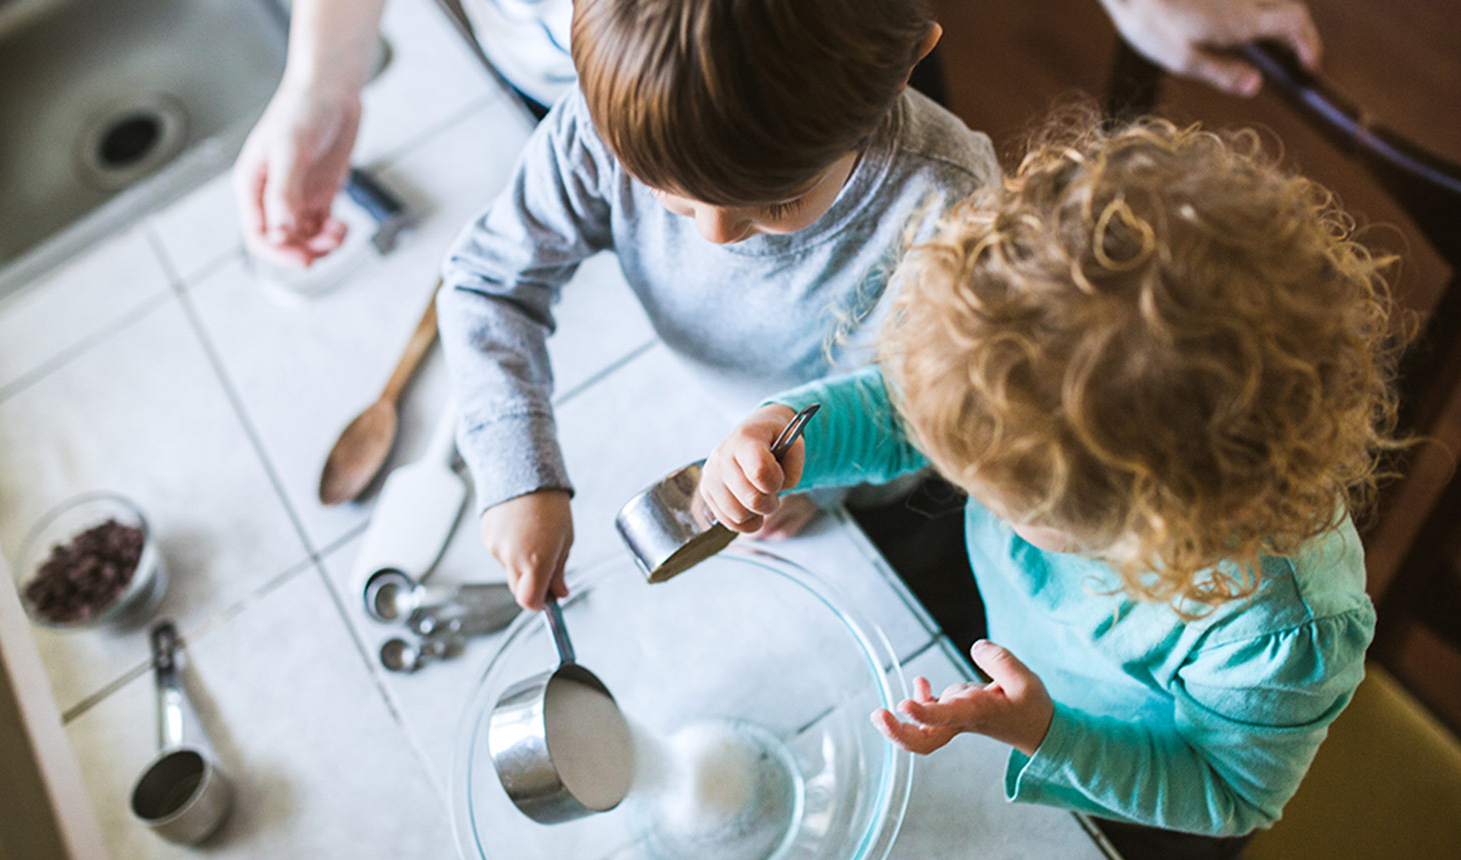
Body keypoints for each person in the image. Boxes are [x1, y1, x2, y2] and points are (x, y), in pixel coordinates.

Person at [696, 117, 1397, 856]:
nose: (967, 487)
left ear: (1150, 524)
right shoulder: (1034, 399)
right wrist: (787, 429)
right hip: (1017, 657)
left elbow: (1228, 792)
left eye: (997, 496)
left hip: (1128, 803)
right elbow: (906, 410)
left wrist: (1044, 732)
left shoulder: (1281, 634)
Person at [438, 0, 999, 610]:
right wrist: (518, 473)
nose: (715, 234)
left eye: (777, 203)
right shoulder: (608, 123)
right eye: (669, 196)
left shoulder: (951, 201)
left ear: (908, 60)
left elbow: (943, 401)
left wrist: (818, 471)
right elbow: (489, 283)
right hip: (728, 424)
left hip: (882, 488)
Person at [233, 0, 1323, 269]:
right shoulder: (592, 121)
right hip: (560, 74)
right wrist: (323, 79)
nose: (709, 234)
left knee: (872, 266)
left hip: (790, 53)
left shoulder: (914, 158)